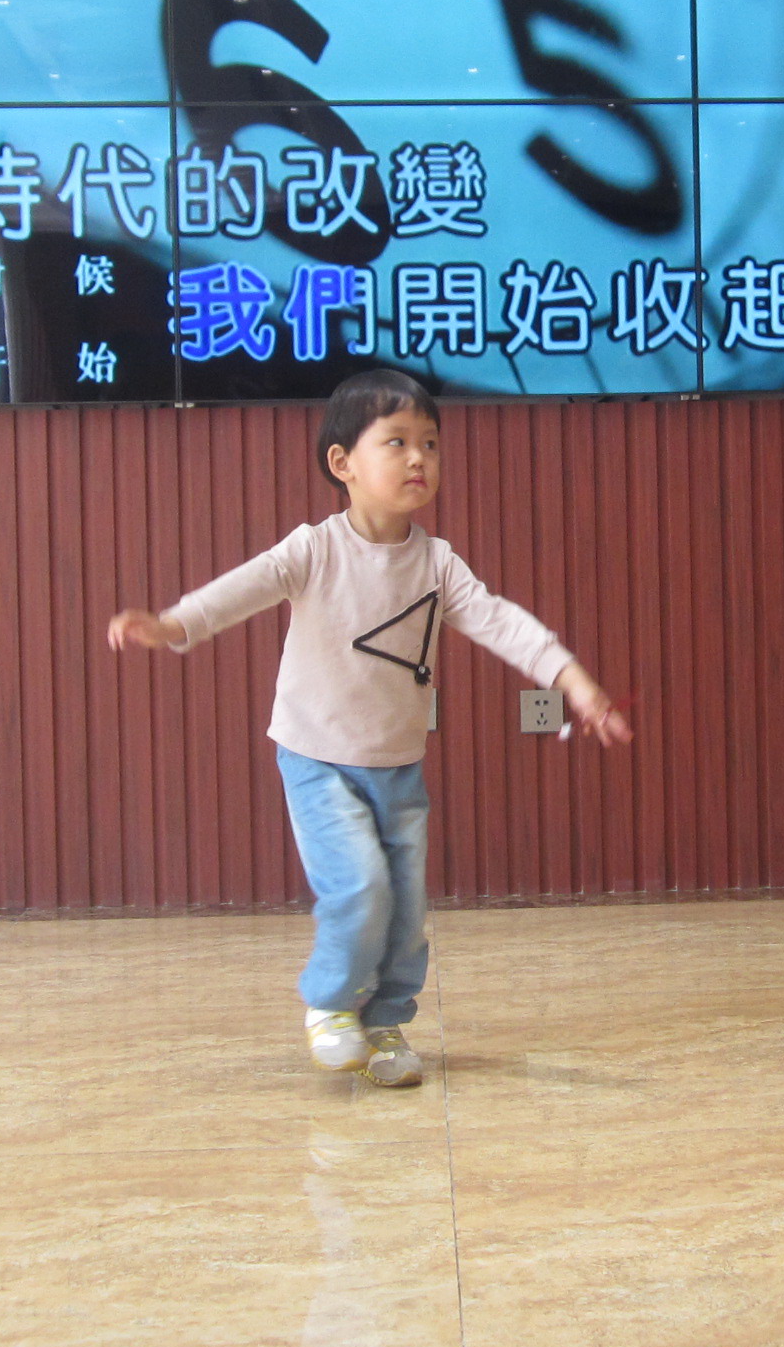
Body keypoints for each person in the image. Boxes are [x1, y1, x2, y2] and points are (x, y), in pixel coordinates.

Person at [108, 368, 632, 1087]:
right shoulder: (314, 550)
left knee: (405, 911)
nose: (419, 459)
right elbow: (243, 587)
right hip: (316, 759)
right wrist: (173, 625)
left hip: (397, 767)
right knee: (359, 885)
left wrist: (573, 681)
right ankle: (330, 1005)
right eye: (397, 442)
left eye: (430, 444)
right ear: (342, 462)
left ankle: (385, 1022)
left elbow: (502, 622)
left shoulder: (438, 563)